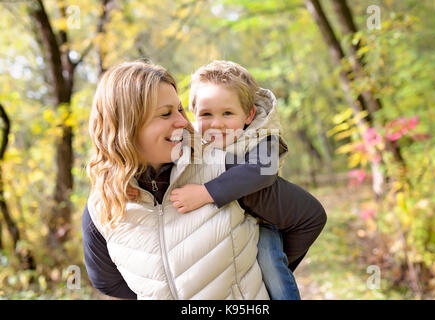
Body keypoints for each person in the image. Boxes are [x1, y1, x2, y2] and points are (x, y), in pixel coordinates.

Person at [82, 60, 326, 300]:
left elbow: (308, 218)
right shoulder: (102, 206)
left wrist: (265, 270)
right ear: (126, 128)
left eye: (179, 110)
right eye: (166, 113)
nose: (183, 121)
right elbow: (106, 281)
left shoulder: (226, 169)